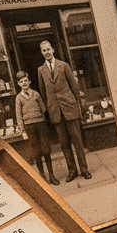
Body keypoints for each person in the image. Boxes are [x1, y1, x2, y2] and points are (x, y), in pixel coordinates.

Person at [38, 39, 91, 182]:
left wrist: (78, 105)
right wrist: (50, 108)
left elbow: (74, 87)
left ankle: (84, 169)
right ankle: (72, 171)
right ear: (42, 53)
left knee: (77, 141)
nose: (47, 52)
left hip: (70, 108)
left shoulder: (64, 65)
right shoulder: (41, 70)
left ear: (53, 50)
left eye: (48, 49)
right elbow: (43, 93)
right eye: (44, 50)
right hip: (56, 112)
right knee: (64, 143)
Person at [12, 70, 56, 186]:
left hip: (40, 124)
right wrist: (23, 130)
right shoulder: (18, 98)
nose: (24, 83)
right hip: (29, 127)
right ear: (19, 84)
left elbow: (43, 108)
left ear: (29, 82)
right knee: (36, 152)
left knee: (46, 149)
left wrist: (42, 120)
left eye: (26, 81)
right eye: (21, 82)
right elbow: (18, 115)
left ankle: (51, 175)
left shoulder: (36, 94)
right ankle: (42, 176)